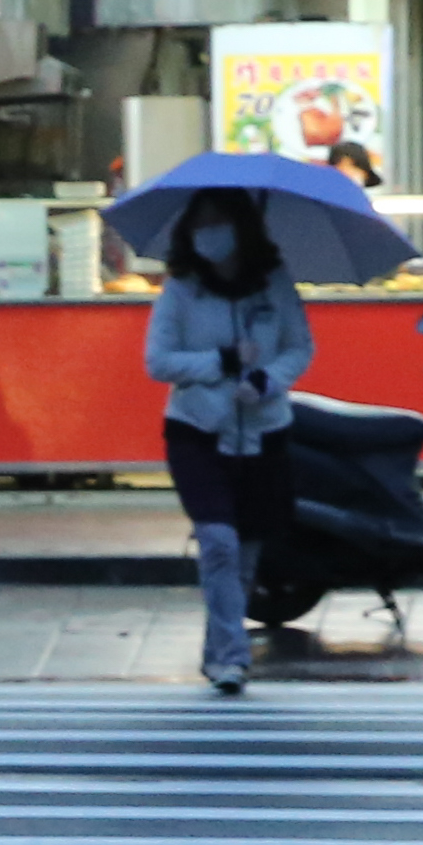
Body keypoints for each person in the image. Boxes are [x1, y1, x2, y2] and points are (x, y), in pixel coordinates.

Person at [143, 186, 312, 694]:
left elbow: (299, 347)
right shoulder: (180, 290)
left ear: (243, 228)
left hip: (263, 435)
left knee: (245, 555)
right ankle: (232, 657)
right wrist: (219, 361)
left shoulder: (274, 286)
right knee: (217, 542)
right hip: (197, 433)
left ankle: (218, 650)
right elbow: (158, 361)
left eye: (218, 222)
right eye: (200, 225)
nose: (208, 235)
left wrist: (267, 380)